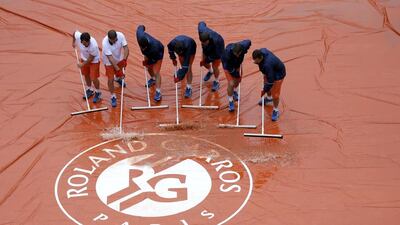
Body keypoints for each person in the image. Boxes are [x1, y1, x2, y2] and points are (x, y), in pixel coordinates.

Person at [252, 48, 286, 121]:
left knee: (275, 94)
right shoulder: (262, 51)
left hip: (278, 74)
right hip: (270, 71)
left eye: (256, 60)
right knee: (266, 84)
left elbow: (270, 81)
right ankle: (269, 98)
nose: (254, 62)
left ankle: (275, 110)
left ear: (261, 58)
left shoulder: (267, 65)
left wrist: (264, 90)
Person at [136, 25, 165, 102]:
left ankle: (158, 92)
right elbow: (141, 27)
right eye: (142, 47)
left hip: (159, 52)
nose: (142, 49)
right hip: (148, 54)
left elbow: (153, 60)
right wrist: (146, 61)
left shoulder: (155, 48)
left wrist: (148, 62)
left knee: (156, 71)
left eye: (144, 48)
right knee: (148, 68)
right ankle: (153, 79)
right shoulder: (139, 34)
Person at [221, 40, 251, 112]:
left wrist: (237, 76)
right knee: (231, 83)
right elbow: (229, 69)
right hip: (228, 67)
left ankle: (234, 91)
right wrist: (236, 74)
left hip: (237, 64)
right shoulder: (227, 55)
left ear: (241, 51)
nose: (236, 55)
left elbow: (249, 41)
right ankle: (231, 101)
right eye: (235, 54)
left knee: (237, 82)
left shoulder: (244, 46)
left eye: (238, 54)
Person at [102, 30, 129, 107]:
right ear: (109, 39)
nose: (115, 41)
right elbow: (110, 59)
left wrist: (124, 60)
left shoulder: (120, 35)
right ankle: (113, 96)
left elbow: (126, 48)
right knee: (110, 79)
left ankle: (118, 79)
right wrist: (119, 71)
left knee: (118, 75)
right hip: (108, 62)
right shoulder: (105, 43)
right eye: (113, 41)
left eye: (116, 39)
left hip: (119, 58)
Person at [72, 30, 101, 103]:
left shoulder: (93, 46)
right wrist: (73, 42)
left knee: (94, 77)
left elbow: (91, 59)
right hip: (84, 58)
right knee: (86, 74)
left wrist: (82, 64)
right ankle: (90, 89)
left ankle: (98, 92)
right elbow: (74, 33)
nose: (86, 45)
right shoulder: (78, 36)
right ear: (81, 41)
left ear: (89, 40)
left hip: (94, 61)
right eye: (84, 43)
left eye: (87, 43)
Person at [198, 21, 225, 91]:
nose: (203, 43)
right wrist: (204, 61)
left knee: (215, 66)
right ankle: (210, 71)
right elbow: (201, 23)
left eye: (204, 42)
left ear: (208, 40)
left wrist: (207, 59)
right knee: (204, 63)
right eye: (202, 42)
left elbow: (216, 55)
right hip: (208, 48)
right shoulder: (201, 30)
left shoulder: (217, 42)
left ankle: (216, 81)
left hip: (217, 50)